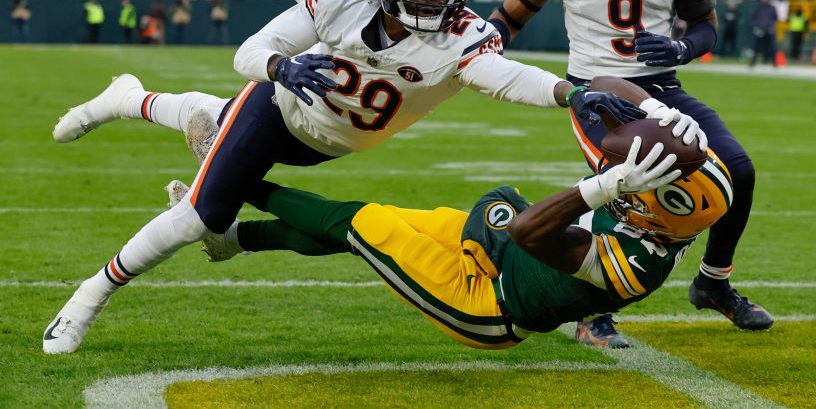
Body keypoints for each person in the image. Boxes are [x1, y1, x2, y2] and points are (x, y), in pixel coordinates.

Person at [43, 0, 589, 354]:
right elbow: (248, 53)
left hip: (326, 142)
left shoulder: (465, 36)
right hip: (279, 106)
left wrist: (570, 92)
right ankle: (90, 296)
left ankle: (127, 98)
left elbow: (508, 79)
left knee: (212, 120)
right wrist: (281, 69)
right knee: (201, 216)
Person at [73, 75, 734, 350]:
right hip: (503, 253)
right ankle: (235, 239)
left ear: (656, 213)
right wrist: (641, 110)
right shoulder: (668, 216)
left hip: (485, 302)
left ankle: (235, 182)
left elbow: (537, 233)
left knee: (355, 222)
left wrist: (606, 188)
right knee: (368, 231)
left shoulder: (634, 266)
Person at [488, 0, 772, 348]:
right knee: (629, 185)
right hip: (596, 91)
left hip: (660, 86)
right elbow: (512, 14)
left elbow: (704, 25)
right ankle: (594, 314)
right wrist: (483, 48)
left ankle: (714, 282)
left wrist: (682, 49)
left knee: (741, 170)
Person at [750, 0, 777, 67]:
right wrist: (756, 27)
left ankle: (774, 64)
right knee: (756, 47)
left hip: (769, 30)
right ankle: (752, 63)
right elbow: (752, 18)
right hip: (759, 30)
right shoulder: (757, 7)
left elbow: (775, 18)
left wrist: (771, 26)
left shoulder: (772, 7)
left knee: (771, 47)